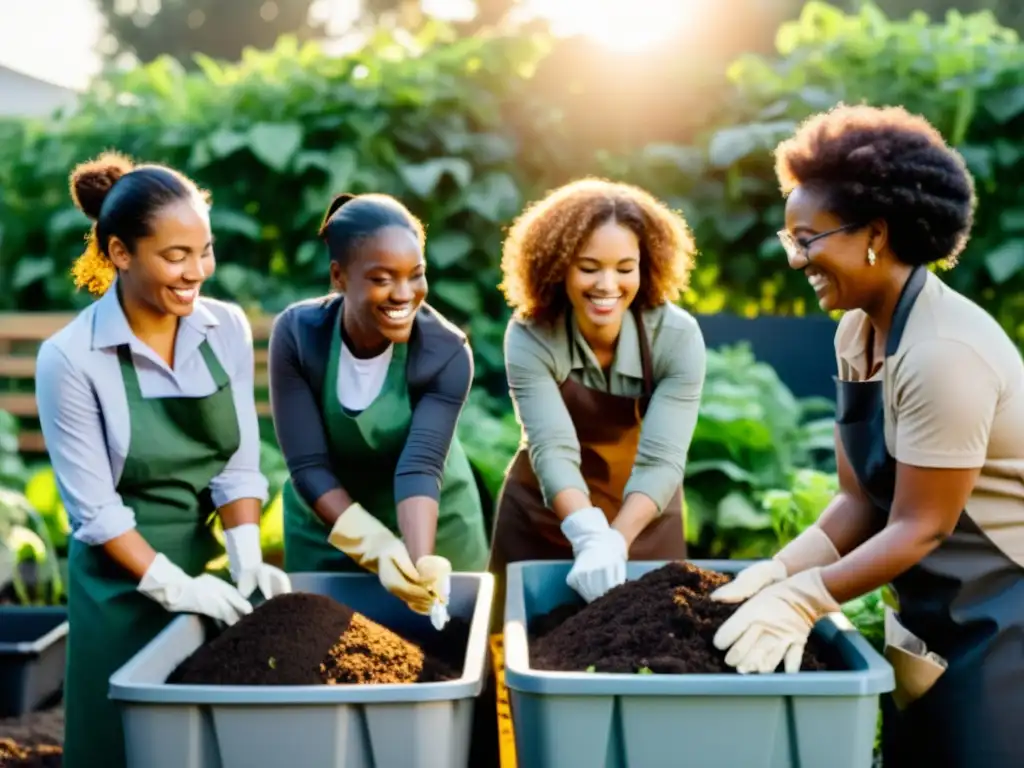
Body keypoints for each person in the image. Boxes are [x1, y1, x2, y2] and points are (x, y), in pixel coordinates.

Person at [710, 104, 1024, 767]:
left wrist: (804, 600)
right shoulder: (859, 329)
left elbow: (922, 526)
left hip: (1006, 613)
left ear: (875, 233)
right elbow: (860, 502)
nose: (797, 259)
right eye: (790, 238)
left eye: (808, 238)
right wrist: (781, 569)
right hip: (938, 610)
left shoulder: (945, 353)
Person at [36, 152, 291, 768]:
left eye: (203, 251)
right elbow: (95, 512)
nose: (196, 272)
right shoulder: (71, 359)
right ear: (121, 253)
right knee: (118, 748)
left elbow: (236, 462)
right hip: (119, 589)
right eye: (175, 256)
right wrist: (174, 587)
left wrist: (245, 552)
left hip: (209, 575)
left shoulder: (223, 327)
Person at [268, 192, 489, 626]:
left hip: (431, 517)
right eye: (382, 278)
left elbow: (421, 466)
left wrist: (419, 560)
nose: (404, 294)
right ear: (339, 276)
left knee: (445, 658)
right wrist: (377, 546)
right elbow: (308, 465)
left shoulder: (445, 353)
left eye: (416, 275)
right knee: (313, 657)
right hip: (325, 524)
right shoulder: (298, 336)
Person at [490, 177, 706, 612]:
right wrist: (588, 533)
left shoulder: (675, 337)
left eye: (625, 268)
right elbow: (552, 447)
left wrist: (615, 541)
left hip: (644, 518)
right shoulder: (532, 335)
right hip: (543, 517)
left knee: (648, 649)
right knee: (516, 651)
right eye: (589, 267)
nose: (608, 285)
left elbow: (662, 460)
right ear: (558, 266)